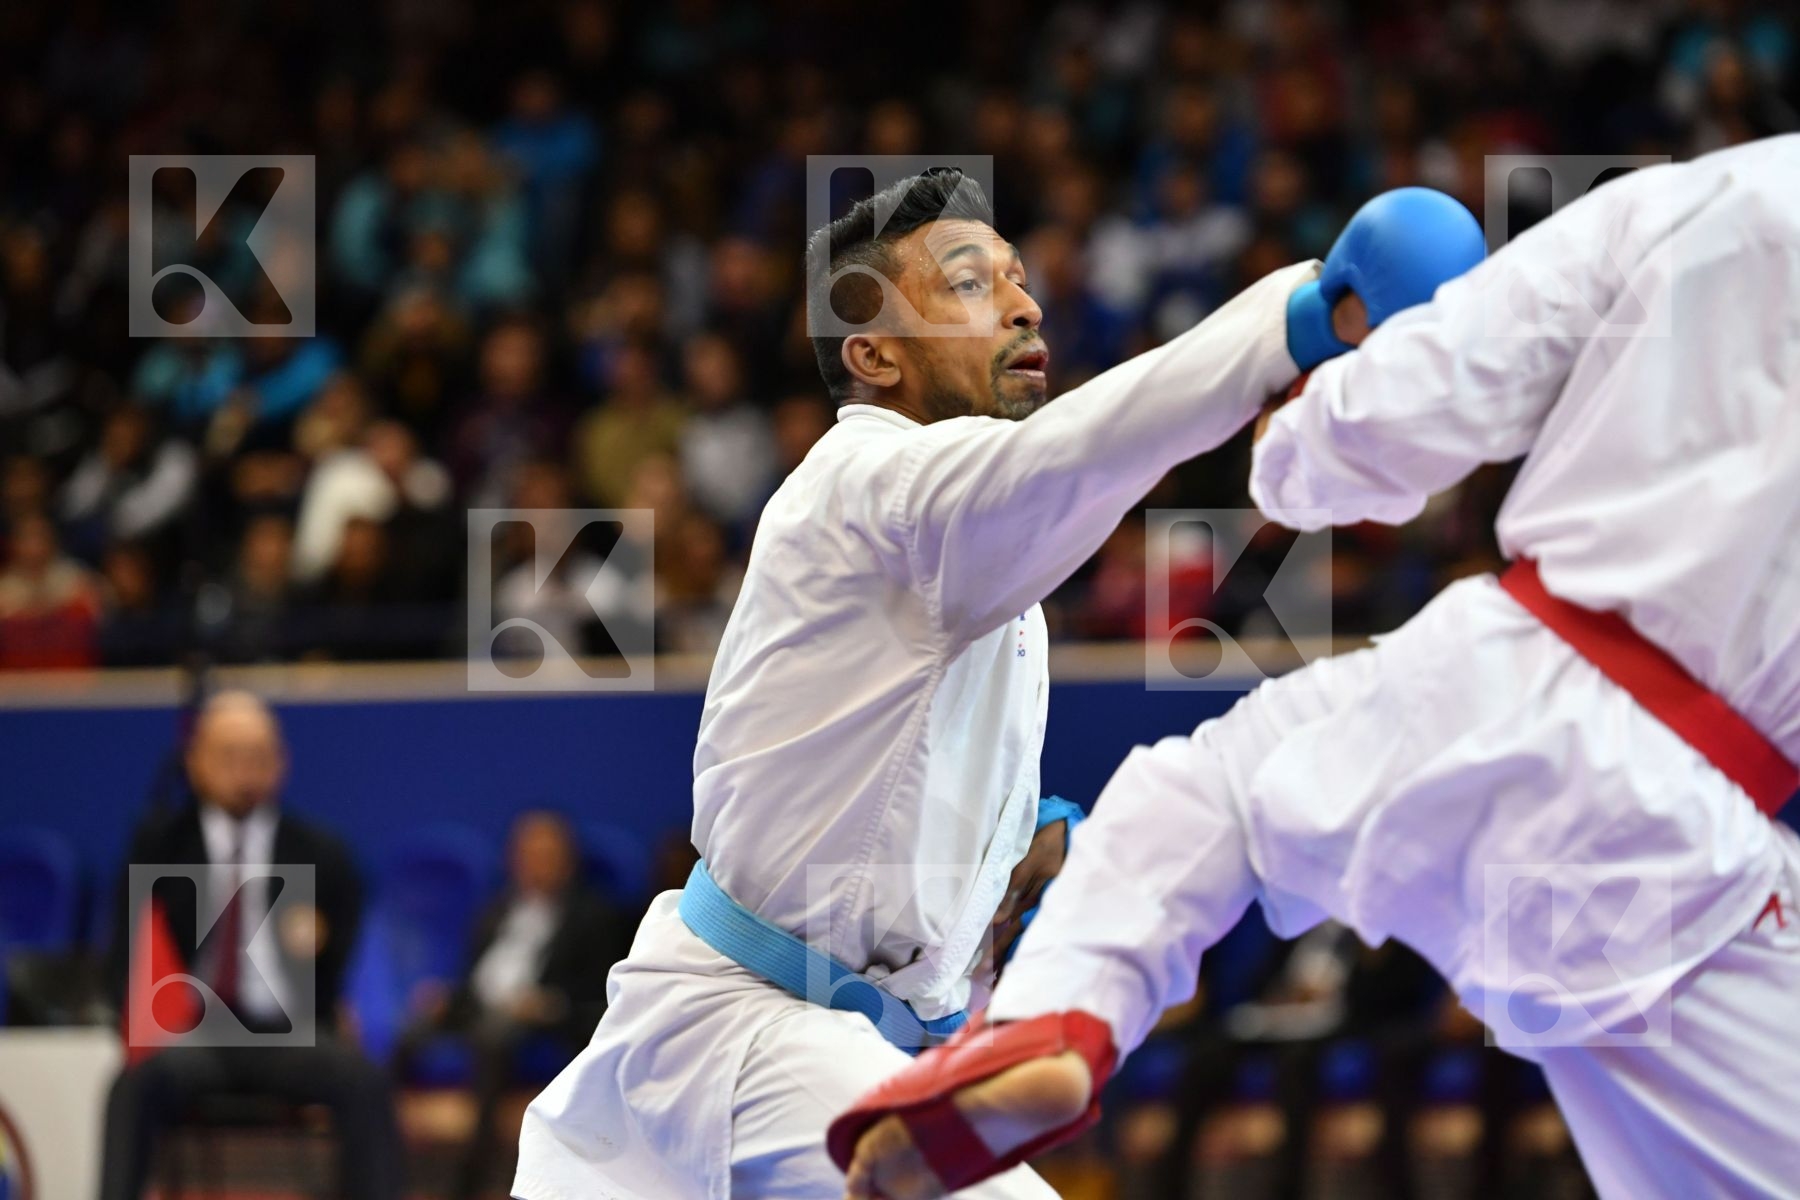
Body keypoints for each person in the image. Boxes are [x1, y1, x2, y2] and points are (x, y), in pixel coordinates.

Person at [830, 137, 1800, 1200]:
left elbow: (1424, 400)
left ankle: (1058, 1018)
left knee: (1206, 799)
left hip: (1518, 682)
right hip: (1706, 830)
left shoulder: (1701, 201)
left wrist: (1304, 439)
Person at [514, 169, 1482, 1200]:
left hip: (834, 1047)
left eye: (1021, 280)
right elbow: (1082, 452)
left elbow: (894, 780)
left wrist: (1016, 840)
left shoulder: (971, 549)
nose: (1023, 304)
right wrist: (1292, 327)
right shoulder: (868, 483)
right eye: (970, 284)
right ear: (873, 350)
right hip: (748, 1034)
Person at [99, 691, 405, 1200]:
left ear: (281, 764)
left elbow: (341, 962)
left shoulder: (322, 851)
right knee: (129, 1090)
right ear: (195, 762)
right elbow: (123, 953)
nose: (245, 772)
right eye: (229, 756)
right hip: (192, 1036)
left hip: (290, 1035)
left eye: (258, 757)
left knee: (365, 1083)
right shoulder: (158, 845)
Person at [395, 810, 625, 1200]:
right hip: (479, 1006)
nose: (536, 864)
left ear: (567, 859)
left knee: (492, 1041)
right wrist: (447, 997)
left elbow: (600, 993)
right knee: (409, 1035)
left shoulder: (594, 917)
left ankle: (470, 1178)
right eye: (527, 853)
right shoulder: (496, 909)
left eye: (546, 854)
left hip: (539, 1017)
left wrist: (551, 1004)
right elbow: (473, 975)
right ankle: (394, 1165)